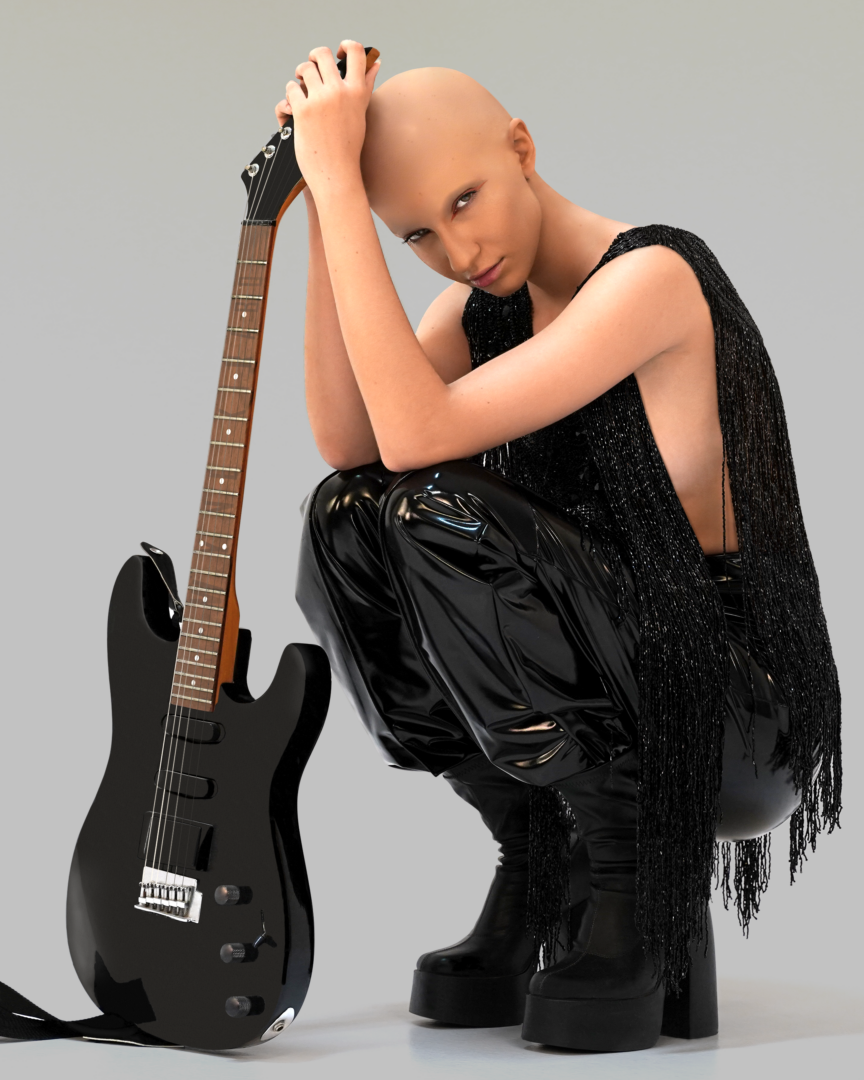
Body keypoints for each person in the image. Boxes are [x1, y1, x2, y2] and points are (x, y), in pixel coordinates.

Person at [276, 42, 841, 1052]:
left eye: (465, 201)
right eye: (417, 234)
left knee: (436, 507)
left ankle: (634, 881)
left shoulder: (652, 277)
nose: (458, 250)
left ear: (523, 147)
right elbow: (351, 441)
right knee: (346, 517)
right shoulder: (484, 313)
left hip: (732, 707)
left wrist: (336, 176)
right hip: (624, 672)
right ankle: (541, 860)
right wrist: (329, 208)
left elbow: (415, 435)